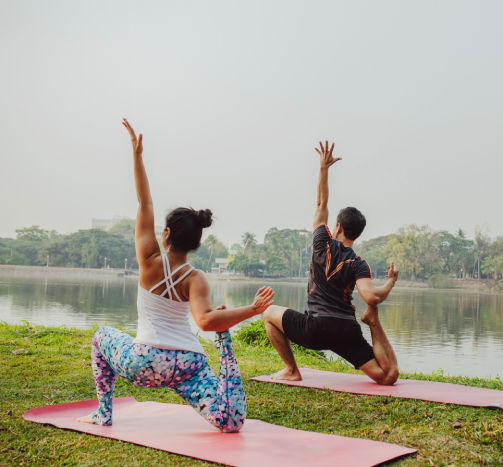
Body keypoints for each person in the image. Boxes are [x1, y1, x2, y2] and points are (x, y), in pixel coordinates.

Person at [77, 119, 275, 433]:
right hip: (187, 365)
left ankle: (103, 413)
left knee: (101, 337)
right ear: (197, 242)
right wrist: (252, 310)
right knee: (230, 424)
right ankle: (226, 348)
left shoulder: (149, 260)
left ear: (166, 233)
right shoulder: (196, 279)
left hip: (145, 364)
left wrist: (137, 156)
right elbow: (206, 322)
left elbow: (145, 203)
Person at [263, 141, 399, 385]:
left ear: (337, 227)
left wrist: (324, 169)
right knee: (388, 376)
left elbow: (320, 203)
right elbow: (372, 298)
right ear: (357, 234)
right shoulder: (359, 263)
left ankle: (291, 370)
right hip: (346, 330)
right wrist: (390, 282)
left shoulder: (321, 243)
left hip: (315, 329)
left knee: (269, 313)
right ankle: (373, 322)